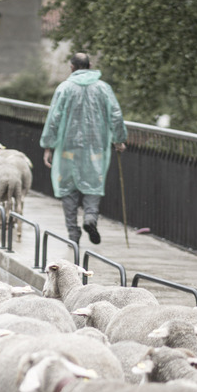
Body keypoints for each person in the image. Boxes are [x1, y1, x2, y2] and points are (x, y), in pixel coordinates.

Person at [40, 52, 127, 247]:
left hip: (67, 148)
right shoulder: (103, 88)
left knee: (68, 189)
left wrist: (48, 146)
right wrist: (119, 139)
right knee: (93, 183)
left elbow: (54, 118)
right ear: (89, 66)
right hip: (96, 146)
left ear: (72, 67)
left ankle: (73, 233)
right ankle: (90, 218)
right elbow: (115, 114)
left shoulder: (64, 88)